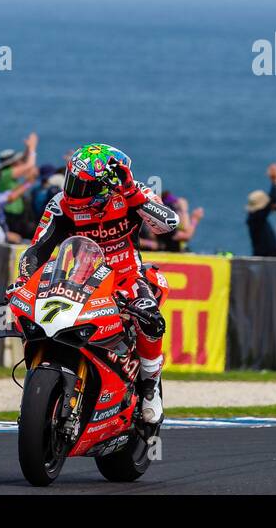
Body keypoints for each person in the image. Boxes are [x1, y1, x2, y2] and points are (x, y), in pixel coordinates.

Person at [17, 144, 179, 424]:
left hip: (126, 276)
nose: (74, 190)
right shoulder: (60, 204)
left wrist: (131, 193)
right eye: (73, 180)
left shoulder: (132, 193)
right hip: (76, 278)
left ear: (108, 186)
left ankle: (150, 386)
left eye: (83, 186)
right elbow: (37, 249)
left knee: (151, 319)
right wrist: (22, 280)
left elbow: (168, 223)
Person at [245, 163, 276, 257]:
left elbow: (270, 204)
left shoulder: (254, 217)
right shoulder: (257, 217)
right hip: (265, 259)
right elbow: (272, 199)